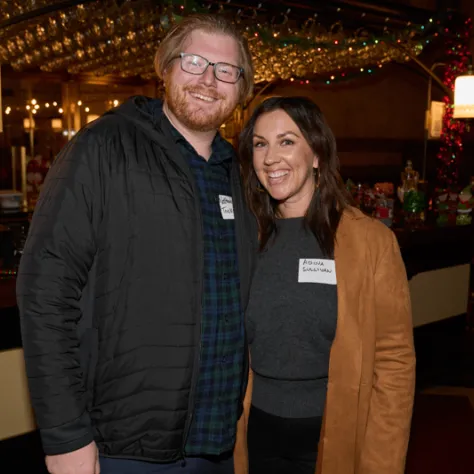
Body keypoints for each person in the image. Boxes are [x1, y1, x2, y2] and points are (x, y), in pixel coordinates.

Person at [17, 13, 256, 474]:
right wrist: (66, 434)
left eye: (226, 70)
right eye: (193, 62)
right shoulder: (103, 147)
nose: (209, 79)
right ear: (164, 68)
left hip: (219, 442)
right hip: (123, 447)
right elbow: (45, 292)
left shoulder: (240, 174)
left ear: (240, 88)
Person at [235, 96, 416, 474]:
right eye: (260, 144)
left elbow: (394, 363)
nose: (271, 158)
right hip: (252, 432)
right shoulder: (243, 236)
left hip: (333, 433)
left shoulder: (370, 242)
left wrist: (381, 461)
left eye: (287, 141)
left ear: (316, 153)